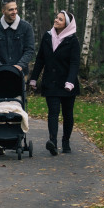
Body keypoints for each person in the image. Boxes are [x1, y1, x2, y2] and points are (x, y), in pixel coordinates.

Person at [29, 10, 81, 155]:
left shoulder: (72, 40)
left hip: (67, 85)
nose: (56, 20)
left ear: (67, 25)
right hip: (50, 83)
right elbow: (40, 59)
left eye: (60, 19)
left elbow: (75, 63)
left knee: (67, 114)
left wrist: (70, 81)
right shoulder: (47, 36)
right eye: (56, 18)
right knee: (53, 112)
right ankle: (53, 141)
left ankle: (66, 142)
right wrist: (33, 78)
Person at [0, 0, 35, 75]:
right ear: (3, 11)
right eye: (11, 9)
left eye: (15, 9)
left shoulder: (26, 27)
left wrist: (20, 65)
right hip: (0, 74)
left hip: (21, 73)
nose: (14, 11)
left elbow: (29, 50)